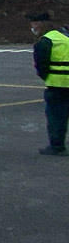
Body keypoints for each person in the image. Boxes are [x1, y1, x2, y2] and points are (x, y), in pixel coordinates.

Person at [30, 13, 69, 156]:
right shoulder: (65, 37)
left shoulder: (45, 41)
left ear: (40, 25)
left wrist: (46, 77)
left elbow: (41, 65)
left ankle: (57, 147)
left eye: (33, 25)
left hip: (57, 84)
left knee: (56, 118)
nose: (32, 28)